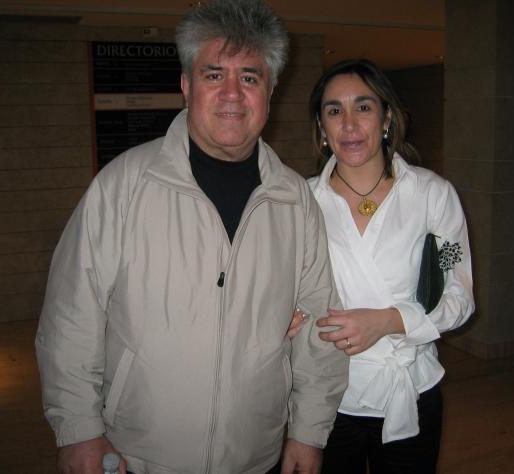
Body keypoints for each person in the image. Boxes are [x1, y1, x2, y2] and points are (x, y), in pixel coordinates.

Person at [35, 1, 348, 473]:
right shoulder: (124, 185)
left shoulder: (293, 200)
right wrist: (78, 429)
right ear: (186, 85)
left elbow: (319, 324)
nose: (232, 94)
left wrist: (308, 431)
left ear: (270, 92)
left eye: (249, 77)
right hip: (137, 456)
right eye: (213, 74)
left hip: (254, 455)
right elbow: (71, 315)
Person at [297, 58, 475, 473]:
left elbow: (459, 294)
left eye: (363, 106)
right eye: (334, 111)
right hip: (327, 397)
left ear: (387, 118)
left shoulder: (432, 195)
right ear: (321, 127)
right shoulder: (302, 201)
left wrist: (389, 321)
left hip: (411, 389)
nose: (349, 124)